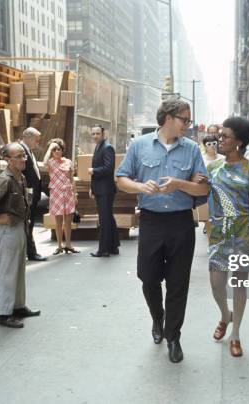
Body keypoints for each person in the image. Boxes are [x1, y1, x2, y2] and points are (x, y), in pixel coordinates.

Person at [116, 97, 209, 363]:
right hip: (151, 221)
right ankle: (158, 318)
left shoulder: (191, 149)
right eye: (185, 120)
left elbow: (203, 189)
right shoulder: (139, 145)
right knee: (148, 277)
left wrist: (179, 183)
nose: (188, 126)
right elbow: (121, 179)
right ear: (168, 117)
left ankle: (173, 336)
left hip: (181, 222)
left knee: (178, 283)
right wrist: (140, 187)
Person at [208, 117, 249, 358]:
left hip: (244, 234)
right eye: (220, 135)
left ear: (239, 142)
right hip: (220, 235)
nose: (220, 139)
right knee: (217, 283)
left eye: (225, 136)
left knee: (240, 284)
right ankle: (225, 315)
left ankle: (236, 335)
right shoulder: (212, 169)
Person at [0, 143, 41, 328]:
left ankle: (18, 307)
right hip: (8, 231)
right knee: (7, 272)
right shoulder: (5, 179)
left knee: (18, 270)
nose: (23, 159)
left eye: (24, 156)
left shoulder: (20, 178)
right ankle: (4, 313)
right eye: (19, 156)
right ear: (8, 160)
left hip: (18, 228)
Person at [88, 125, 120, 257]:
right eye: (93, 134)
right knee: (107, 218)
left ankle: (104, 249)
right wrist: (92, 187)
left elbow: (108, 168)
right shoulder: (99, 146)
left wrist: (93, 171)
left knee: (105, 219)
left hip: (106, 190)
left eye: (97, 134)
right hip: (100, 189)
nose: (95, 136)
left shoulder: (107, 147)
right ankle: (113, 247)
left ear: (103, 134)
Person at [43, 139, 79, 255]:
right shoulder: (50, 162)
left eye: (59, 149)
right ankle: (59, 246)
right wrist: (49, 148)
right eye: (54, 150)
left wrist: (75, 194)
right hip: (56, 193)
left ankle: (68, 244)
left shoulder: (68, 162)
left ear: (62, 150)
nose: (57, 151)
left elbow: (72, 179)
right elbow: (44, 162)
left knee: (68, 221)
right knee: (58, 222)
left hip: (68, 193)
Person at [19, 127, 47, 261]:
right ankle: (30, 252)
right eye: (36, 140)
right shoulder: (20, 150)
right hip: (28, 192)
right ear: (28, 138)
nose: (38, 142)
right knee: (28, 222)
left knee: (30, 222)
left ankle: (29, 252)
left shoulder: (28, 150)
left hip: (32, 192)